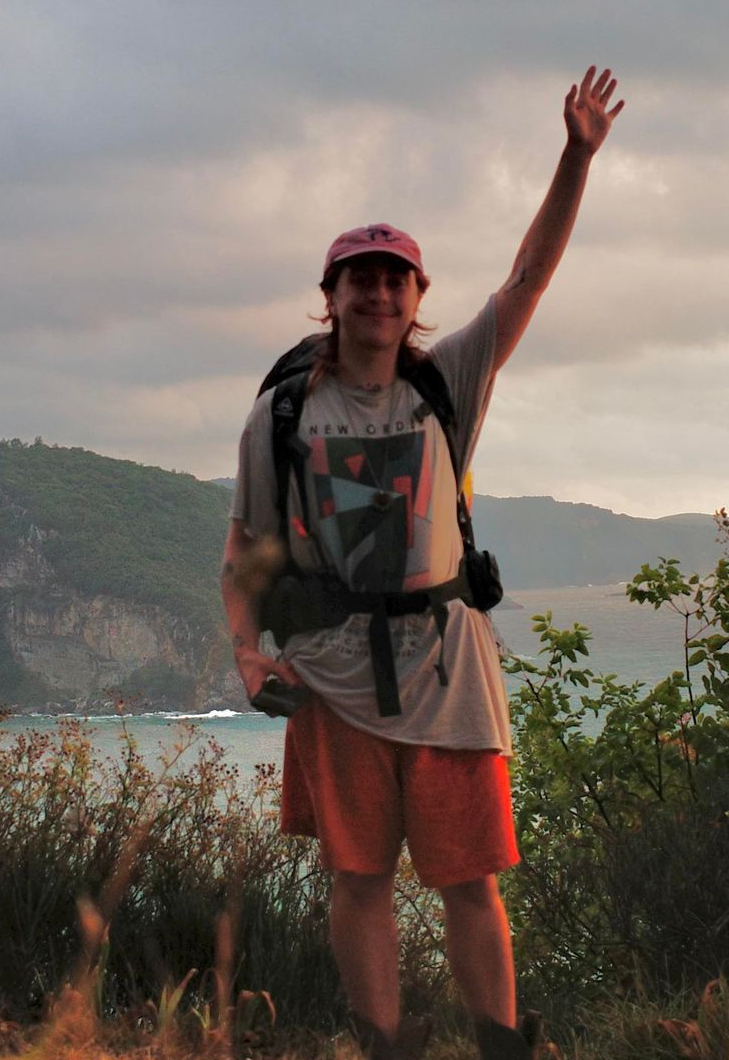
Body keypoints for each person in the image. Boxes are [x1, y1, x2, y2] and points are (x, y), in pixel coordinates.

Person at [222, 67, 624, 1060]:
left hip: (448, 676)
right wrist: (246, 655)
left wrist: (575, 157)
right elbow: (247, 551)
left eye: (394, 276)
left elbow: (529, 277)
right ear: (332, 297)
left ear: (415, 298)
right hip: (334, 678)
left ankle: (499, 1047)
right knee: (357, 881)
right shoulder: (282, 413)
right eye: (359, 276)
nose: (377, 290)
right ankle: (385, 1047)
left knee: (470, 880)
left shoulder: (449, 382)